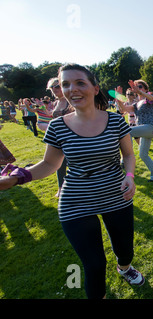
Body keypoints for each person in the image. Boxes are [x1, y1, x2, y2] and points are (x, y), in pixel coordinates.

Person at [0, 63, 144, 299]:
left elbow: (128, 154)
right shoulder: (58, 126)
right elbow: (50, 164)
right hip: (75, 202)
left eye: (79, 83)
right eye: (65, 84)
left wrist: (130, 176)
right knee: (94, 265)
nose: (71, 89)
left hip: (117, 196)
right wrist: (18, 178)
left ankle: (125, 268)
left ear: (95, 88)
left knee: (125, 250)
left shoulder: (116, 121)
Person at [116, 80, 153, 182]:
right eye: (136, 87)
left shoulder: (148, 98)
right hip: (145, 131)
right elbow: (122, 110)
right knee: (143, 155)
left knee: (127, 131)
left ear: (146, 89)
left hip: (151, 127)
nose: (138, 88)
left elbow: (152, 98)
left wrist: (140, 92)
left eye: (140, 86)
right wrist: (119, 98)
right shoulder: (136, 104)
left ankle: (124, 160)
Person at [47, 77, 74, 198]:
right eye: (52, 87)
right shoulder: (56, 103)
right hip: (59, 139)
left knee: (73, 164)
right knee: (59, 164)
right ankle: (61, 188)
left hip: (72, 138)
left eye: (57, 86)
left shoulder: (70, 101)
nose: (54, 89)